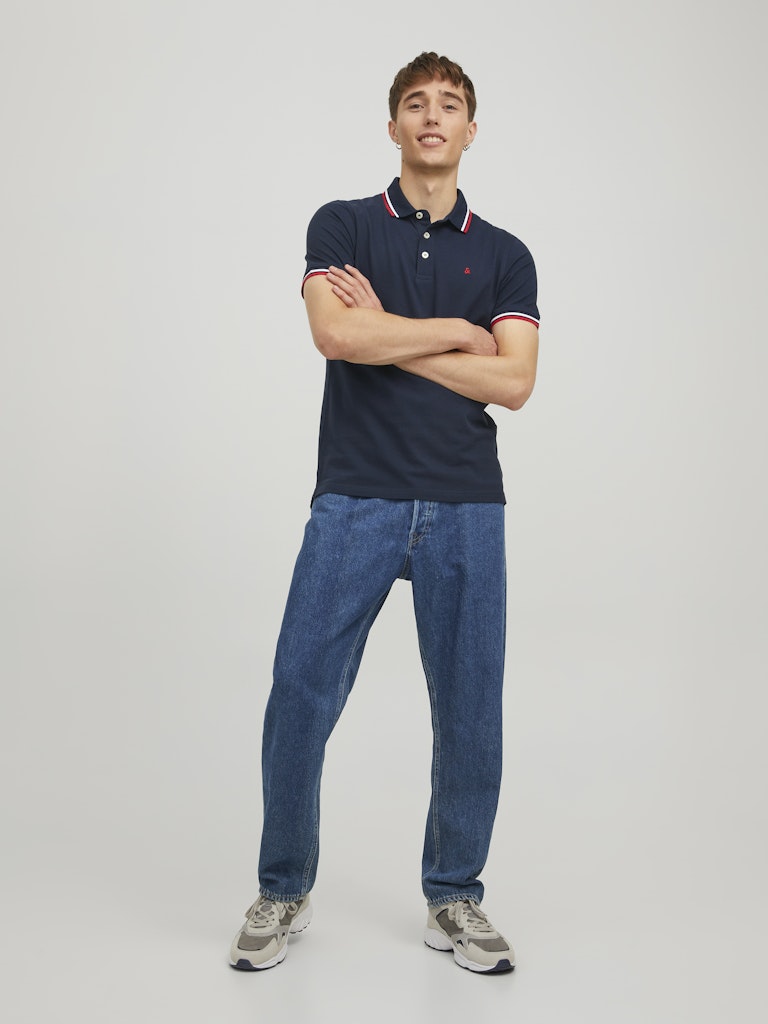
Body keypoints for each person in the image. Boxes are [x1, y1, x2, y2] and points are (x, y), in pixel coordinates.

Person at [229, 51, 539, 975]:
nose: (432, 116)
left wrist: (389, 338)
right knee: (300, 694)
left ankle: (455, 896)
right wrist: (457, 335)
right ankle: (283, 886)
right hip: (354, 496)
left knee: (471, 708)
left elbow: (514, 383)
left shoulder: (507, 254)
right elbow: (334, 333)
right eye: (415, 103)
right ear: (394, 124)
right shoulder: (343, 224)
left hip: (467, 502)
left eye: (450, 104)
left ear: (472, 129)